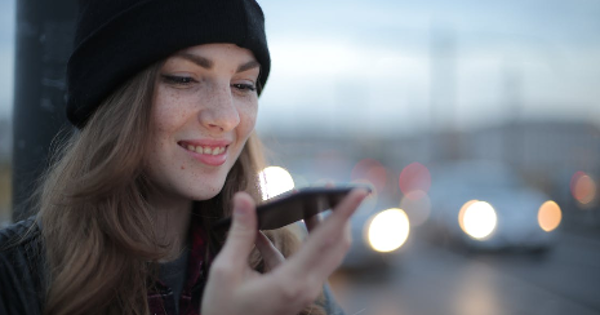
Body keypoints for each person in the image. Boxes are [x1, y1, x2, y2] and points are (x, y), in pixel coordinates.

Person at [0, 1, 368, 315]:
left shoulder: (282, 269)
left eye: (243, 85)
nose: (226, 116)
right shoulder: (14, 275)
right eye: (184, 79)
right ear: (113, 99)